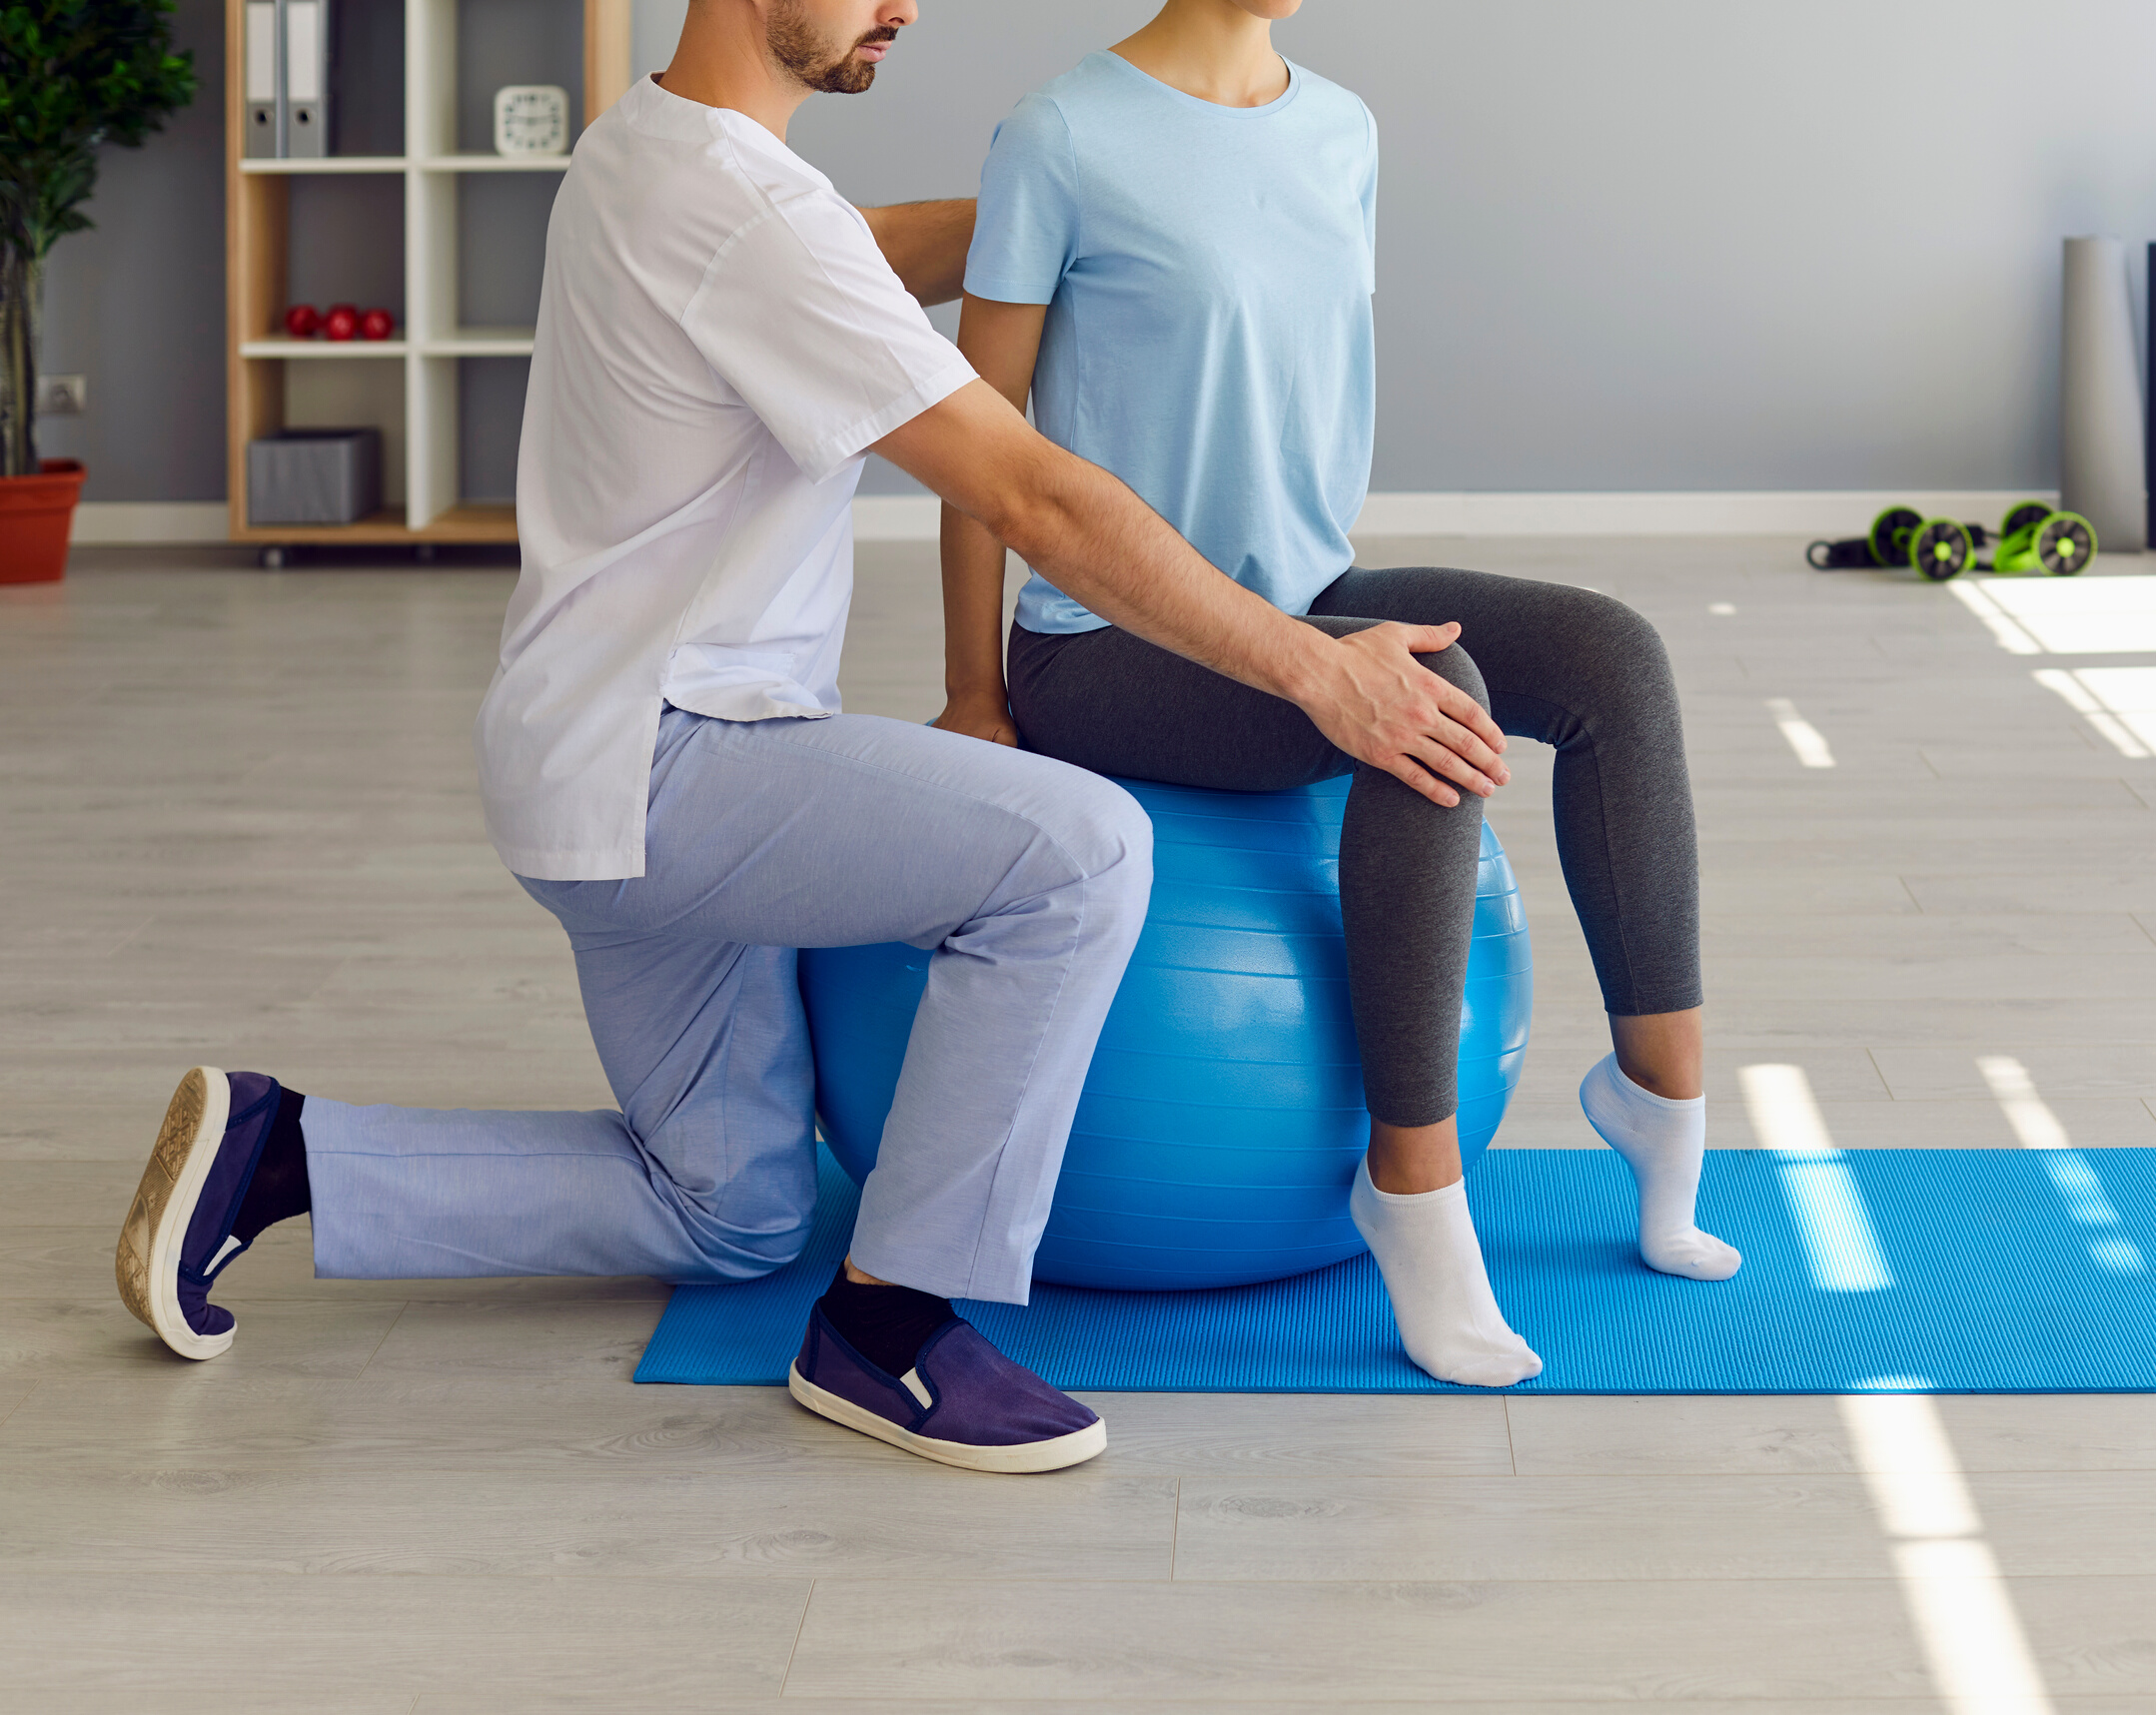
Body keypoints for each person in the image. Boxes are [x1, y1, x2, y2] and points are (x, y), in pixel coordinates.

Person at [113, 0, 1509, 1473]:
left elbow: (858, 250)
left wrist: (1088, 204)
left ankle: (284, 1150)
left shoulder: (652, 146)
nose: (903, 3)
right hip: (680, 767)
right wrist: (1311, 668)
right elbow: (1031, 498)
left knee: (735, 1211)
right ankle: (892, 1328)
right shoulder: (750, 209)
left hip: (585, 764)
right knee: (1080, 849)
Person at [937, 0, 1738, 1388]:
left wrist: (1319, 622)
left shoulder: (1342, 130)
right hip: (1105, 647)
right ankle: (1413, 1188)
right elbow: (976, 446)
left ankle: (1661, 1099)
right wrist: (973, 695)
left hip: (1301, 597)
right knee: (1432, 691)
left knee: (1615, 655)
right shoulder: (1061, 134)